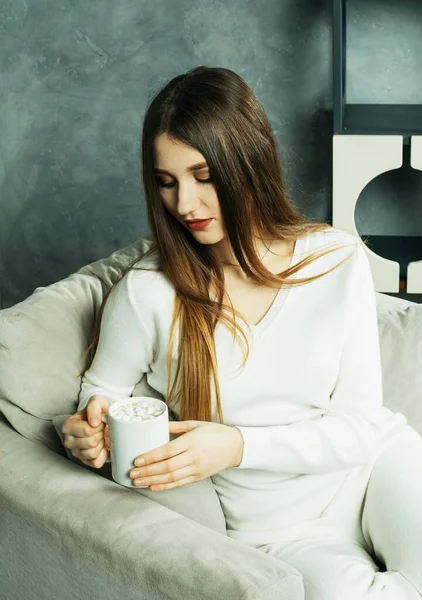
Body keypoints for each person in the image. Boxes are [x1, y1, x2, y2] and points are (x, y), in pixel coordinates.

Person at [62, 66, 422, 599]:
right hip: (279, 533)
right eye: (167, 182)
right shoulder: (147, 294)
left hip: (373, 471)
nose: (184, 204)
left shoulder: (333, 258)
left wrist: (237, 446)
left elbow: (363, 430)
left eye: (203, 175)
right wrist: (82, 435)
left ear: (248, 162)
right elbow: (102, 394)